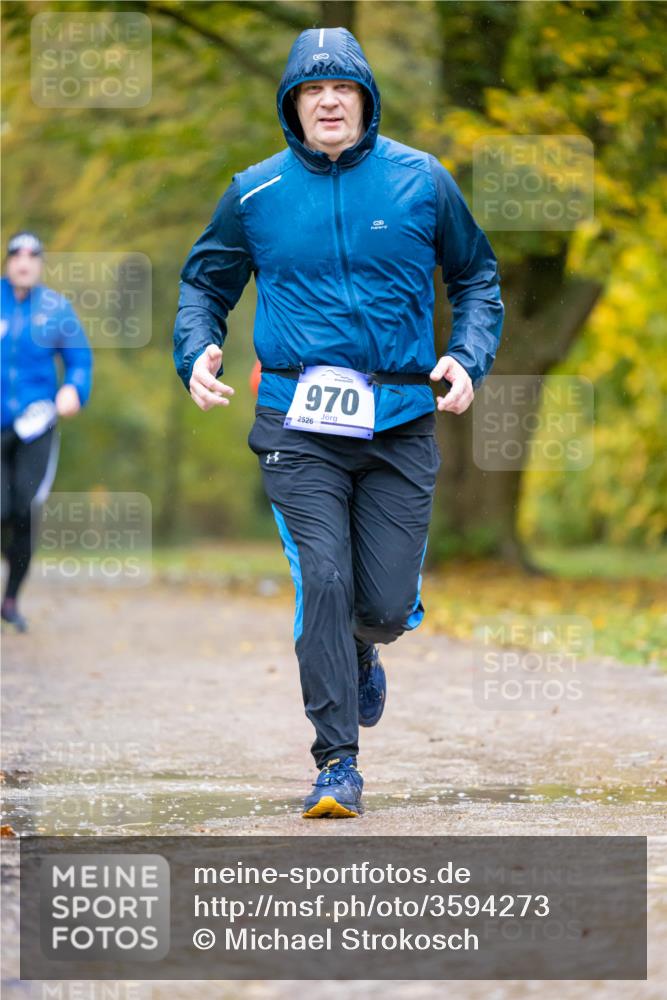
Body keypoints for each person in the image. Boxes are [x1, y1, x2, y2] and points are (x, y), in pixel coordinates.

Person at [173, 28, 504, 818]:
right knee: (321, 578)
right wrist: (198, 349)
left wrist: (466, 355)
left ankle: (363, 648)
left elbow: (476, 278)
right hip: (296, 424)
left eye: (342, 88)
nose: (327, 100)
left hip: (398, 420)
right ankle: (336, 763)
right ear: (292, 105)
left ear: (365, 100)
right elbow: (202, 285)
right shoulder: (254, 193)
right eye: (310, 90)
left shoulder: (421, 182)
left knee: (382, 608)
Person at [1, 232, 93, 632]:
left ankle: (10, 599)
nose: (23, 261)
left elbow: (80, 362)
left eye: (32, 255)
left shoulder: (56, 309)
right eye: (16, 254)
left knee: (24, 507)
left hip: (37, 425)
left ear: (39, 264)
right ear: (7, 262)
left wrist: (74, 388)